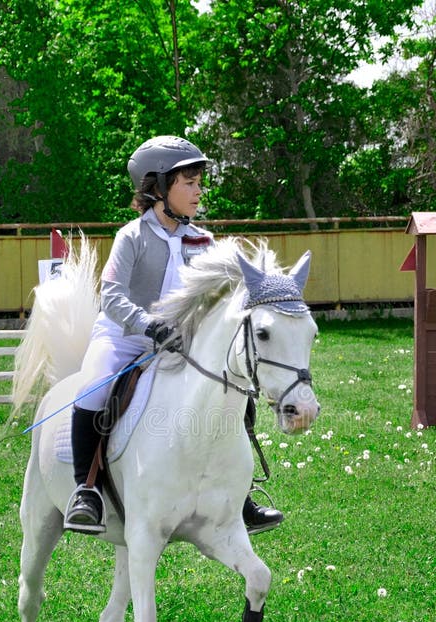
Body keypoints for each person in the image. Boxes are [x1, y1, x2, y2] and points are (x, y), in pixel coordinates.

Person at [64, 135, 283, 536]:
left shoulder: (204, 241)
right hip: (123, 336)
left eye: (200, 182)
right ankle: (87, 490)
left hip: (180, 343)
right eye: (190, 182)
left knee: (236, 391)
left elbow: (221, 299)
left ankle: (242, 494)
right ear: (158, 187)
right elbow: (111, 296)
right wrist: (148, 325)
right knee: (93, 389)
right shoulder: (131, 236)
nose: (199, 191)